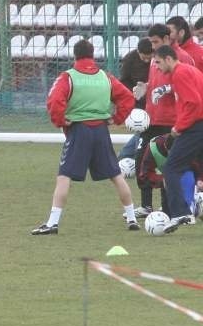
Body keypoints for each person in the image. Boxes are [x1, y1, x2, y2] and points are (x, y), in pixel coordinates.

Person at [31, 39, 137, 235]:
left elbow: (54, 100)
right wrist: (117, 118)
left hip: (79, 130)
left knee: (64, 176)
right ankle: (131, 218)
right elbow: (127, 97)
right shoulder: (106, 77)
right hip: (101, 130)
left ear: (74, 56)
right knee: (116, 175)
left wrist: (61, 120)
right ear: (93, 55)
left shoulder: (68, 77)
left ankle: (52, 223)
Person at [130, 23, 194, 218]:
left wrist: (166, 90)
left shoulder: (182, 58)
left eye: (155, 42)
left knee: (169, 163)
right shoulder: (156, 57)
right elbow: (159, 81)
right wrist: (147, 87)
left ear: (167, 39)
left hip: (172, 120)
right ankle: (147, 205)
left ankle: (174, 208)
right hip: (153, 119)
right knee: (142, 159)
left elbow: (189, 86)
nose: (153, 46)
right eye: (151, 42)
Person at [148, 45, 203, 233]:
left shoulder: (179, 73)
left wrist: (178, 127)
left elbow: (193, 103)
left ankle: (180, 213)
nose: (156, 66)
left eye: (158, 62)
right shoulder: (191, 71)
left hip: (195, 127)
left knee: (171, 168)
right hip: (198, 125)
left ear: (169, 59)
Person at [117, 37, 152, 161]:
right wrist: (133, 92)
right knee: (142, 129)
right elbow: (123, 81)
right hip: (137, 101)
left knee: (144, 130)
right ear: (138, 52)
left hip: (154, 100)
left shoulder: (157, 59)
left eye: (149, 57)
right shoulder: (130, 59)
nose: (147, 60)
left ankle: (124, 156)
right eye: (144, 58)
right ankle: (137, 157)